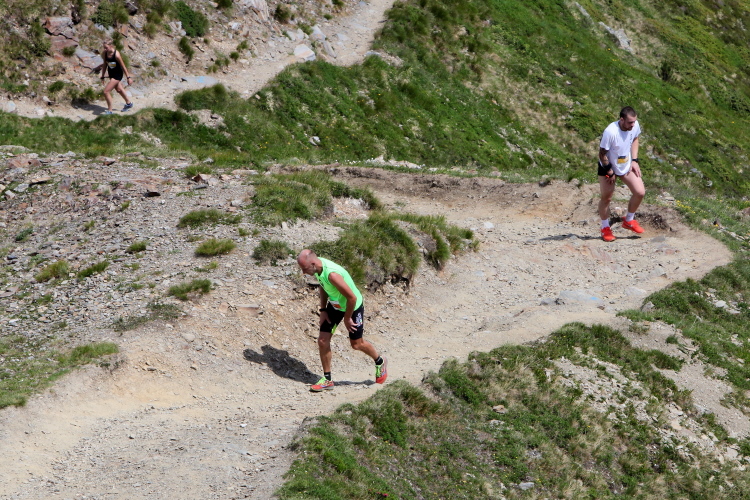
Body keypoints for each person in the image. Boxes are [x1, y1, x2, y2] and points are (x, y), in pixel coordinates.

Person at [297, 249, 387, 392]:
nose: (303, 272)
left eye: (305, 268)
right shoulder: (318, 268)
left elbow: (352, 298)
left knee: (356, 344)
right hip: (335, 305)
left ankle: (379, 361)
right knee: (322, 340)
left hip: (352, 306)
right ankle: (327, 380)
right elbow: (323, 286)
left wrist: (347, 318)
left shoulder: (332, 274)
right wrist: (323, 310)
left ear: (313, 264)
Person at [597, 106, 646, 242]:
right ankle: (605, 228)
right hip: (608, 165)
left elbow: (635, 138)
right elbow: (602, 154)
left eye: (634, 122)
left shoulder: (634, 126)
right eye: (630, 122)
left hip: (625, 164)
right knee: (607, 198)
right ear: (622, 120)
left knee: (640, 192)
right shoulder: (610, 132)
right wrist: (609, 170)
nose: (633, 125)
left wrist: (634, 160)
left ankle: (629, 220)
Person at [100, 40, 134, 115]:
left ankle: (110, 110)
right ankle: (129, 103)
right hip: (111, 74)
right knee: (118, 89)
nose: (105, 49)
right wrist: (102, 76)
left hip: (117, 75)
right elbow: (105, 65)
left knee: (106, 92)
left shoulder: (116, 55)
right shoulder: (105, 53)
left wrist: (128, 77)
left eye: (106, 47)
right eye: (104, 47)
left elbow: (123, 66)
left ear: (111, 46)